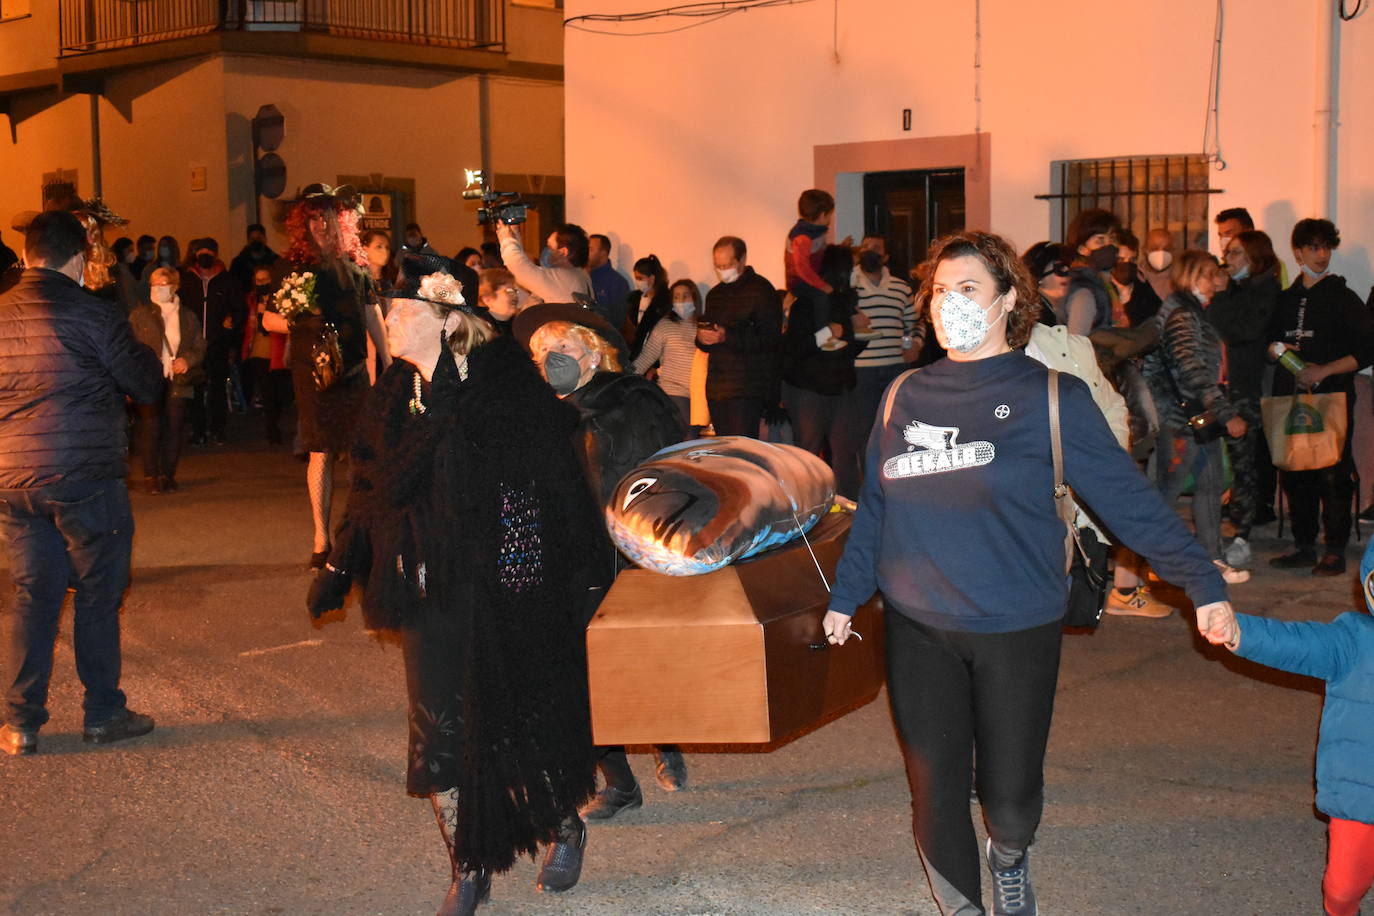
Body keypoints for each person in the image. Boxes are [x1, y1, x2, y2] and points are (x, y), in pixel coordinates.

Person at [821, 230, 1237, 916]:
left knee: (1010, 798)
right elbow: (877, 506)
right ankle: (963, 906)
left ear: (1009, 299)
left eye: (968, 289)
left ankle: (1009, 855)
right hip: (918, 623)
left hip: (1016, 622)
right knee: (935, 790)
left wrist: (1201, 583)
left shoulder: (1051, 396)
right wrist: (847, 594)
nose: (949, 304)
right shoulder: (902, 395)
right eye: (940, 291)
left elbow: (1128, 501)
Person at [307, 254, 605, 913]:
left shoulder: (505, 387)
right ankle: (468, 865)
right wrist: (339, 565)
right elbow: (370, 489)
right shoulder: (393, 396)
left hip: (506, 589)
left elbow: (548, 488)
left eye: (402, 309)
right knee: (437, 734)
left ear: (447, 321)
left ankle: (563, 824)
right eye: (387, 309)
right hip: (425, 586)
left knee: (518, 719)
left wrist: (553, 580)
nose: (388, 319)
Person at [0, 210, 163, 756]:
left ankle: (21, 723)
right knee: (97, 594)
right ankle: (102, 714)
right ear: (77, 257)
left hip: (13, 478)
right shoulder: (93, 313)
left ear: (29, 256)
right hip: (83, 476)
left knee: (33, 595)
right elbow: (145, 384)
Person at [519, 305, 689, 821]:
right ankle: (619, 782)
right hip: (569, 560)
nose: (552, 359)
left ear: (593, 354)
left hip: (628, 554)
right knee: (579, 672)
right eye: (542, 352)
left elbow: (666, 473)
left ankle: (667, 743)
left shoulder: (633, 400)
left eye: (563, 348)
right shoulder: (535, 414)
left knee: (640, 660)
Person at [1205, 541, 1374, 916]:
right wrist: (1239, 631)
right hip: (1362, 794)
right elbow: (1295, 643)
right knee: (1342, 889)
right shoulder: (1354, 640)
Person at [262, 184, 389, 568]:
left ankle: (357, 530)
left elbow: (371, 314)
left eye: (326, 217)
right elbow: (268, 320)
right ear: (303, 224)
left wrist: (386, 362)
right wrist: (302, 320)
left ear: (339, 221)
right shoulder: (290, 267)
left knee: (361, 450)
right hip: (313, 372)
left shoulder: (355, 264)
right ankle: (321, 537)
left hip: (352, 369)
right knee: (321, 450)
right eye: (313, 218)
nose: (320, 224)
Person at [1267, 218, 1374, 576]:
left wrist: (1324, 370)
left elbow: (1367, 350)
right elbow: (1267, 344)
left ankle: (1335, 550)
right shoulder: (1284, 299)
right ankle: (1303, 546)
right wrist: (1279, 352)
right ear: (1298, 252)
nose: (1322, 254)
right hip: (1289, 396)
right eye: (1313, 247)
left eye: (1326, 247)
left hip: (1333, 397)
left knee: (1334, 473)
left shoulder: (1344, 298)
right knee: (1295, 471)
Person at [1144, 249, 1251, 584]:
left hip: (1198, 417)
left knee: (1210, 485)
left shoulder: (1192, 311)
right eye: (1208, 275)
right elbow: (1192, 370)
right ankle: (1153, 562)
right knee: (1168, 490)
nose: (1215, 281)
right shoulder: (1182, 315)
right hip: (1181, 418)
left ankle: (1211, 559)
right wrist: (1226, 413)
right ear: (1190, 276)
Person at [1209, 229, 1283, 567]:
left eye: (1236, 253)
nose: (1229, 260)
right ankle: (1215, 529)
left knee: (1244, 466)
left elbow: (1241, 330)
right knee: (1213, 462)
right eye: (1228, 252)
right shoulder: (1237, 290)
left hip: (1245, 391)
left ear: (1255, 257)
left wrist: (1222, 295)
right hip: (1218, 387)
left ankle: (1242, 535)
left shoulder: (1266, 291)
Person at [781, 244, 869, 499]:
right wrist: (828, 333)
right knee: (808, 452)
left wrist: (862, 334)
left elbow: (847, 350)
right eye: (851, 268)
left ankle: (848, 506)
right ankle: (808, 504)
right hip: (809, 389)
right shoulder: (805, 304)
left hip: (840, 386)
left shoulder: (844, 303)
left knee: (845, 452)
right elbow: (795, 348)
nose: (855, 273)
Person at [129, 267, 206, 493]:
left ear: (174, 287)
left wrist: (187, 360)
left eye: (162, 285)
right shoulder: (140, 314)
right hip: (149, 378)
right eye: (153, 284)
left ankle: (168, 474)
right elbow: (128, 345)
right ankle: (150, 476)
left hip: (178, 379)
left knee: (174, 427)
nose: (156, 289)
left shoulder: (187, 316)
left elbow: (199, 345)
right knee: (150, 427)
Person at [697, 235, 782, 438]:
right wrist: (702, 338)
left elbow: (769, 340)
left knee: (742, 448)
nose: (722, 271)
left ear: (742, 260)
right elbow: (708, 335)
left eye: (727, 265)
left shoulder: (762, 290)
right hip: (717, 387)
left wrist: (728, 336)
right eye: (718, 266)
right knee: (724, 448)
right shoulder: (715, 294)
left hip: (747, 387)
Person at [179, 237, 244, 446]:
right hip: (193, 346)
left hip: (218, 343)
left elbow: (240, 309)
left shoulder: (228, 281)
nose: (204, 255)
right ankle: (198, 430)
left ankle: (218, 429)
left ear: (215, 254)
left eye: (208, 251)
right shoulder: (186, 281)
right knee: (195, 390)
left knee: (217, 388)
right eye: (201, 252)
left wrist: (231, 324)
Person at [852, 235, 918, 442]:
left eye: (876, 248)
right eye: (865, 247)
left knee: (896, 426)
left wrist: (915, 343)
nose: (869, 251)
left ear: (886, 256)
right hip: (861, 370)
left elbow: (914, 323)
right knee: (865, 429)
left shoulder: (901, 288)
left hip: (895, 368)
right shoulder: (849, 286)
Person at [633, 279, 703, 430]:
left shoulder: (703, 327)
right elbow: (645, 358)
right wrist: (624, 377)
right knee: (686, 434)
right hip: (673, 391)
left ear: (695, 298)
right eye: (676, 297)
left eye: (685, 296)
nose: (681, 301)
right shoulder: (665, 326)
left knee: (693, 438)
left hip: (699, 395)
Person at [240, 266, 291, 445]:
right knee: (267, 393)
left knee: (279, 393)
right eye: (258, 281)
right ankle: (272, 430)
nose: (262, 284)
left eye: (265, 280)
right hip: (259, 352)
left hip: (277, 351)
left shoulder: (282, 298)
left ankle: (276, 422)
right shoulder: (252, 299)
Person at [495, 220, 595, 307]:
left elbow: (519, 267)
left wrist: (506, 240)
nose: (546, 250)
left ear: (563, 252)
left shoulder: (562, 278)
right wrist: (514, 234)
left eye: (550, 246)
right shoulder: (579, 274)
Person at [1063, 207, 1121, 336]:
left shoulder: (1105, 283)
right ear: (1082, 249)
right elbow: (1077, 340)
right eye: (1100, 240)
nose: (1109, 246)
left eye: (1112, 239)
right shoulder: (1083, 288)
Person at [785, 189, 836, 332]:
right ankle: (823, 336)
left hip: (811, 277)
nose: (830, 219)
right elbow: (802, 269)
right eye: (830, 215)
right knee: (821, 297)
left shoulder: (815, 232)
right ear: (822, 215)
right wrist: (822, 286)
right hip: (800, 282)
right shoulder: (802, 238)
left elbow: (820, 251)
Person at [1109, 229, 1162, 327]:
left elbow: (1159, 314)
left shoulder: (1141, 285)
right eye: (1120, 259)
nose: (1126, 264)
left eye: (1132, 260)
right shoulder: (1102, 287)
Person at [626, 253, 671, 357]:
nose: (637, 282)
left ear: (652, 278)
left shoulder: (664, 301)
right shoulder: (634, 298)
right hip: (634, 351)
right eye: (636, 278)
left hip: (655, 354)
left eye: (640, 278)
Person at [587, 234, 631, 329]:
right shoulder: (581, 275)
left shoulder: (618, 283)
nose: (585, 253)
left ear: (603, 253)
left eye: (590, 249)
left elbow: (617, 320)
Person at [228, 223, 281, 293]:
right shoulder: (238, 263)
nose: (256, 241)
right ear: (248, 241)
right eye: (252, 239)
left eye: (259, 238)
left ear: (265, 239)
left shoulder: (276, 261)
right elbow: (233, 287)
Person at [475, 267, 521, 334]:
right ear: (488, 299)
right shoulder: (482, 330)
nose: (515, 295)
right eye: (509, 291)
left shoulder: (517, 322)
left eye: (515, 290)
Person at [1139, 228, 1176, 301]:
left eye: (1166, 249)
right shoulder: (1135, 276)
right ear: (1144, 250)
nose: (1161, 253)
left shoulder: (1178, 280)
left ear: (1172, 251)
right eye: (1155, 248)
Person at [360, 229, 396, 296]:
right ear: (365, 249)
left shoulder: (392, 277)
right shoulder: (359, 280)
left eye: (387, 247)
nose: (385, 251)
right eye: (379, 247)